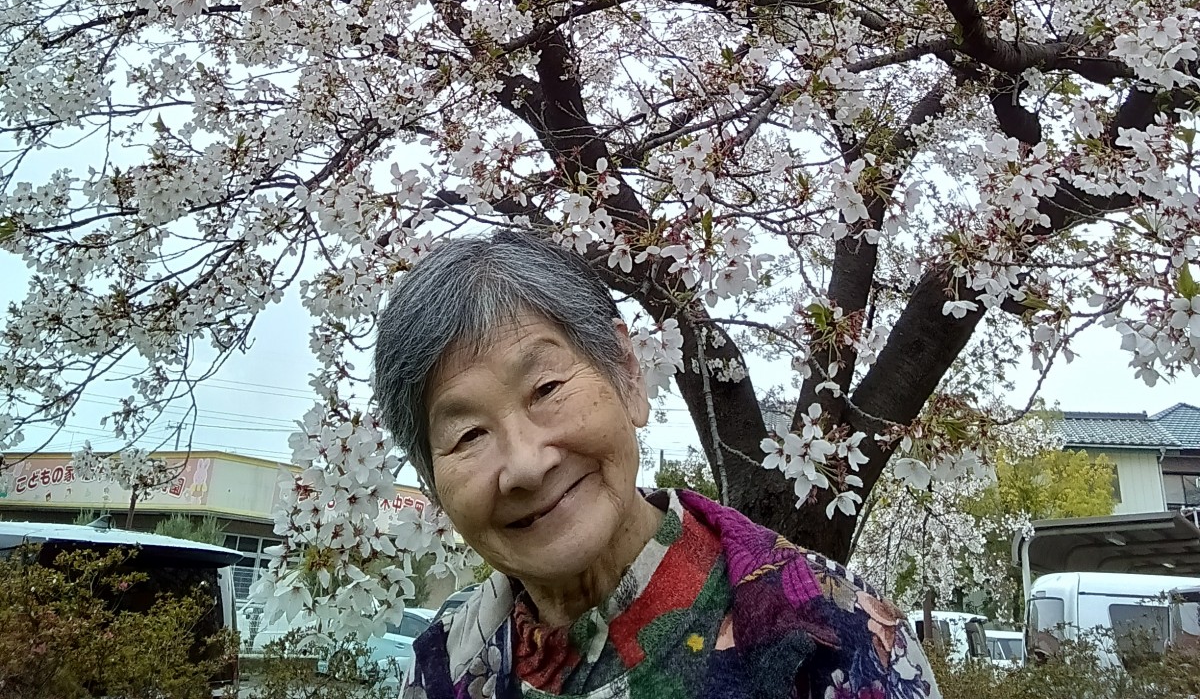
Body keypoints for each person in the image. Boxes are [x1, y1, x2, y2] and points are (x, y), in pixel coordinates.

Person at [374, 229, 941, 699]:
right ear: (431, 480)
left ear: (627, 374)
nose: (525, 464)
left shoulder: (836, 635)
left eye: (546, 388)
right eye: (468, 434)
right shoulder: (440, 667)